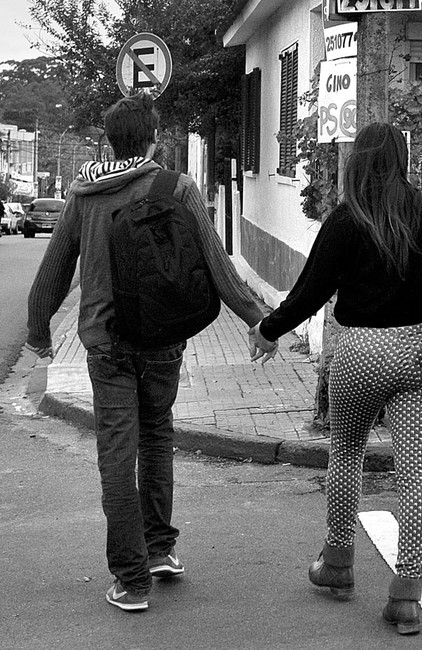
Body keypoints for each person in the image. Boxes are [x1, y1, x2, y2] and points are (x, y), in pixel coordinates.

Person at [26, 93, 271, 613]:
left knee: (117, 452)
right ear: (153, 137)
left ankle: (132, 580)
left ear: (111, 140)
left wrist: (39, 332)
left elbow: (54, 269)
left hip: (106, 344)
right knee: (158, 437)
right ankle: (159, 549)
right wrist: (258, 321)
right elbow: (218, 265)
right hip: (163, 340)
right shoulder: (177, 186)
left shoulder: (85, 194)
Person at [248, 123, 422, 636]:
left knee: (347, 451)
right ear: (404, 159)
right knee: (416, 473)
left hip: (360, 354)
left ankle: (339, 563)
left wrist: (267, 329)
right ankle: (406, 596)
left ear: (358, 162)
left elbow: (310, 289)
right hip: (421, 355)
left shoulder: (346, 220)